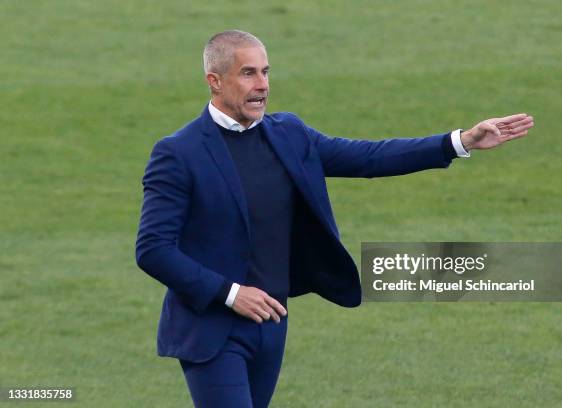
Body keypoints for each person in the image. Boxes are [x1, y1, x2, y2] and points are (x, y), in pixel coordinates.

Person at [135, 30, 534, 407]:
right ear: (215, 81)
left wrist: (459, 141)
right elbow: (153, 250)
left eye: (266, 71)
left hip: (272, 322)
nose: (262, 84)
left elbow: (370, 157)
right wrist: (231, 293)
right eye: (248, 73)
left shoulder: (288, 133)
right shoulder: (178, 153)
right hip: (212, 329)